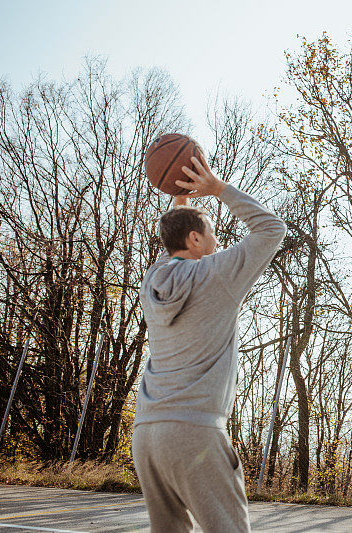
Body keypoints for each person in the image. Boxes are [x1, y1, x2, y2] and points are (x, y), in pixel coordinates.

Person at [132, 155, 286, 532]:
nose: (217, 242)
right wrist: (217, 188)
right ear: (196, 239)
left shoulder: (153, 280)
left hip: (147, 434)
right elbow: (271, 229)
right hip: (194, 431)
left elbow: (173, 243)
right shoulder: (216, 275)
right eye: (212, 234)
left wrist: (180, 201)